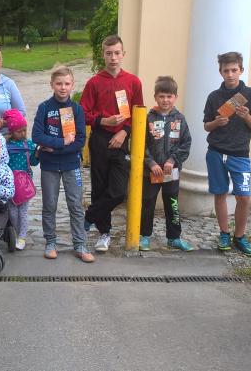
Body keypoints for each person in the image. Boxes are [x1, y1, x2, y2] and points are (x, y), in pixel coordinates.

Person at [80, 35, 143, 252]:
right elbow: (83, 113)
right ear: (103, 55)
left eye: (117, 53)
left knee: (118, 191)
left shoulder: (133, 82)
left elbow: (138, 113)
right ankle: (104, 233)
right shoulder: (94, 82)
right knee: (99, 188)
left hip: (122, 140)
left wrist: (125, 132)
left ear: (123, 54)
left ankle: (89, 216)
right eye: (109, 53)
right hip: (100, 139)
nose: (113, 57)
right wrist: (103, 120)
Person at [203, 52, 251, 256]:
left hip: (240, 154)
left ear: (241, 70)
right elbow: (206, 126)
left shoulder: (250, 94)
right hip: (216, 152)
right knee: (220, 193)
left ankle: (240, 236)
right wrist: (216, 123)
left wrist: (247, 117)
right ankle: (224, 233)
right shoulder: (214, 96)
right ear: (220, 72)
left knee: (243, 197)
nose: (230, 74)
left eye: (234, 70)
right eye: (226, 70)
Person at [33, 66, 94, 262]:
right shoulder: (44, 108)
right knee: (49, 205)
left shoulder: (76, 109)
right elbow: (37, 136)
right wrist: (61, 142)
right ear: (52, 84)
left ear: (72, 85)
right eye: (59, 83)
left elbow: (80, 141)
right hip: (49, 165)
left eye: (67, 83)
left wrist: (55, 147)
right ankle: (50, 242)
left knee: (75, 205)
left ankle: (80, 244)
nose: (63, 87)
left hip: (71, 164)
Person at [140, 76, 193, 252]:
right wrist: (150, 163)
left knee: (172, 203)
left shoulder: (180, 119)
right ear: (155, 97)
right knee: (148, 202)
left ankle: (174, 238)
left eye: (169, 96)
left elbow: (186, 144)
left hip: (171, 172)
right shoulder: (148, 119)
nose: (165, 100)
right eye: (162, 96)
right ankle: (144, 235)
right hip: (151, 172)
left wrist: (173, 160)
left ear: (175, 97)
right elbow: (140, 144)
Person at [2, 109, 39, 250]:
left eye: (25, 130)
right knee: (12, 212)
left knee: (23, 212)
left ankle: (22, 237)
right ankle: (17, 234)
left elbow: (33, 162)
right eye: (19, 131)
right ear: (11, 132)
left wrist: (37, 154)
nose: (23, 133)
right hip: (10, 183)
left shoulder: (29, 145)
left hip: (24, 184)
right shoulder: (5, 146)